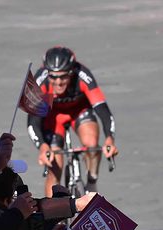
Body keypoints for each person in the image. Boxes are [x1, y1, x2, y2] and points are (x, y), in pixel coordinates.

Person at [27, 46, 118, 197]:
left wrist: (109, 138)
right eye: (53, 77)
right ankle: (52, 211)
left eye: (63, 76)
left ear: (72, 71)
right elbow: (33, 121)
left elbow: (103, 111)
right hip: (53, 117)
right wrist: (42, 146)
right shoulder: (39, 81)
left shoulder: (83, 75)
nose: (58, 82)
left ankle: (92, 183)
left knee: (92, 145)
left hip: (79, 111)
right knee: (54, 168)